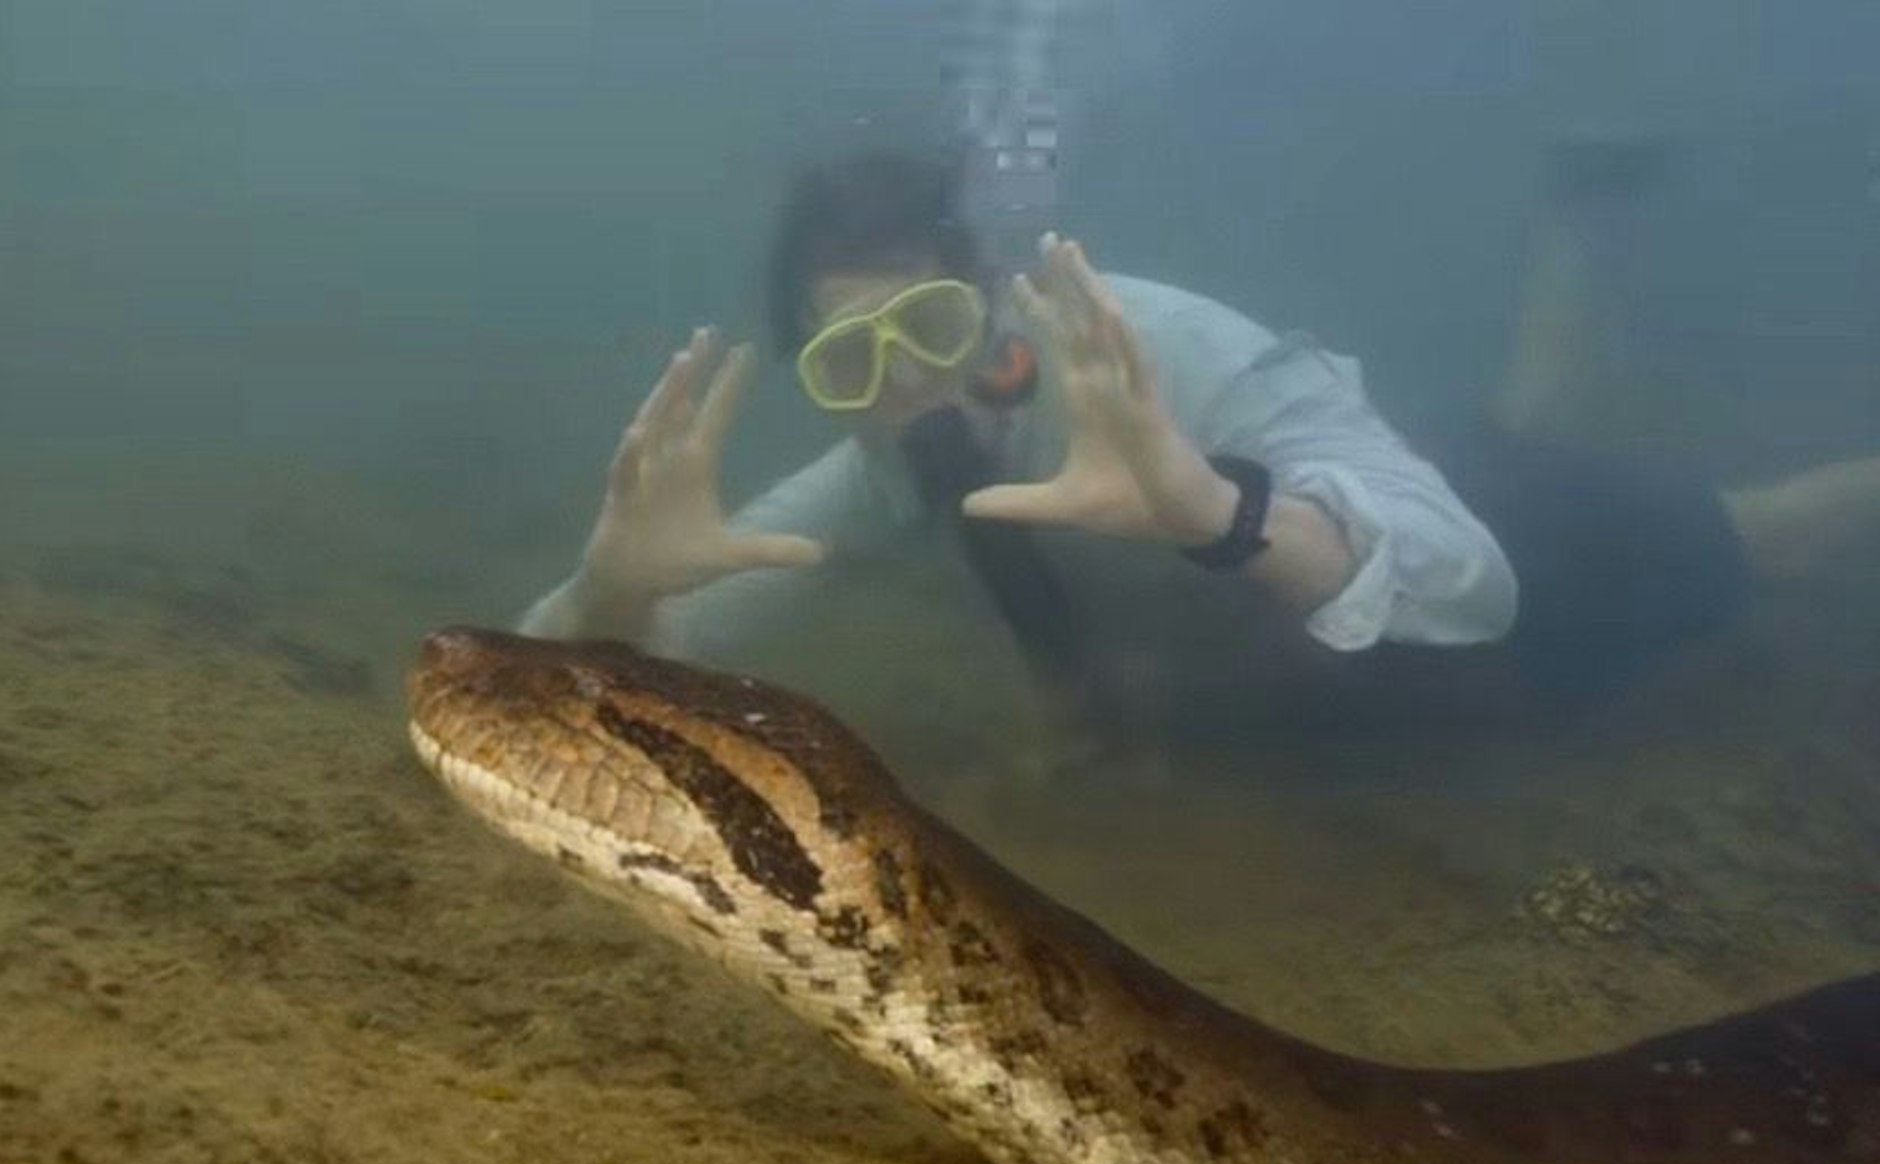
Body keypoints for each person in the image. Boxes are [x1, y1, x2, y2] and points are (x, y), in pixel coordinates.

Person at [519, 149, 1880, 734]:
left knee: (1765, 542)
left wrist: (1212, 505)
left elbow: (1469, 570)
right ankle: (1579, 228)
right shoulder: (893, 464)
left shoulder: (1150, 355)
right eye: (849, 358)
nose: (906, 383)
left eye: (930, 325)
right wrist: (609, 592)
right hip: (1420, 527)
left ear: (988, 301)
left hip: (1503, 546)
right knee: (1520, 424)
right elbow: (585, 666)